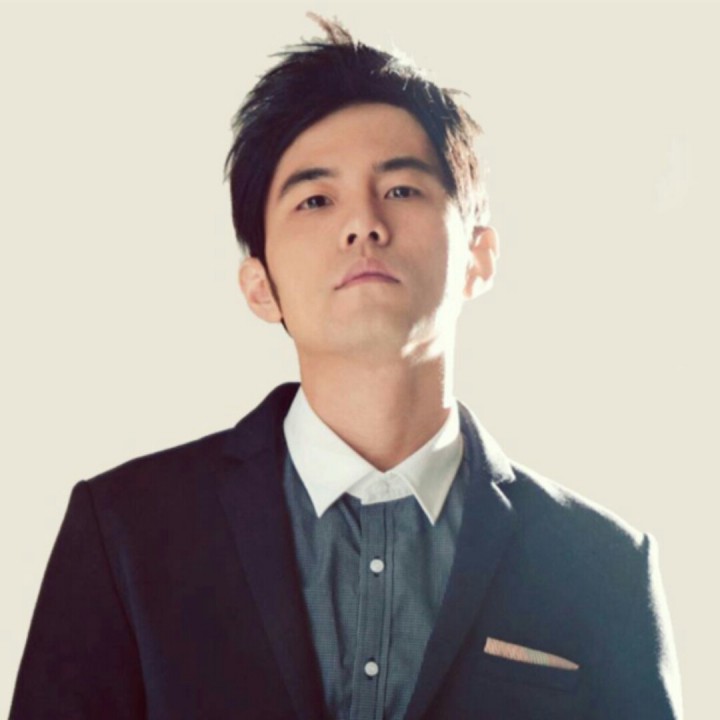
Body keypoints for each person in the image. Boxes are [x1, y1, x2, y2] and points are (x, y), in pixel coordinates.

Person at [9, 14, 682, 720]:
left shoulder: (604, 566)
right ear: (260, 286)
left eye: (402, 190)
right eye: (316, 200)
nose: (363, 224)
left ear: (478, 257)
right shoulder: (126, 533)